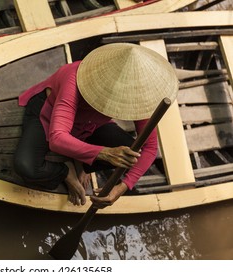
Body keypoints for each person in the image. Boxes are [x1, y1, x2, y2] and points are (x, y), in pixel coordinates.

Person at [13, 43, 178, 208]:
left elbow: (149, 148)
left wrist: (122, 187)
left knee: (131, 153)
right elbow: (57, 138)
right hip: (48, 114)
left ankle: (82, 162)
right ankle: (65, 172)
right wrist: (105, 153)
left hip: (90, 125)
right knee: (26, 167)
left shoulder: (138, 96)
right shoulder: (74, 77)